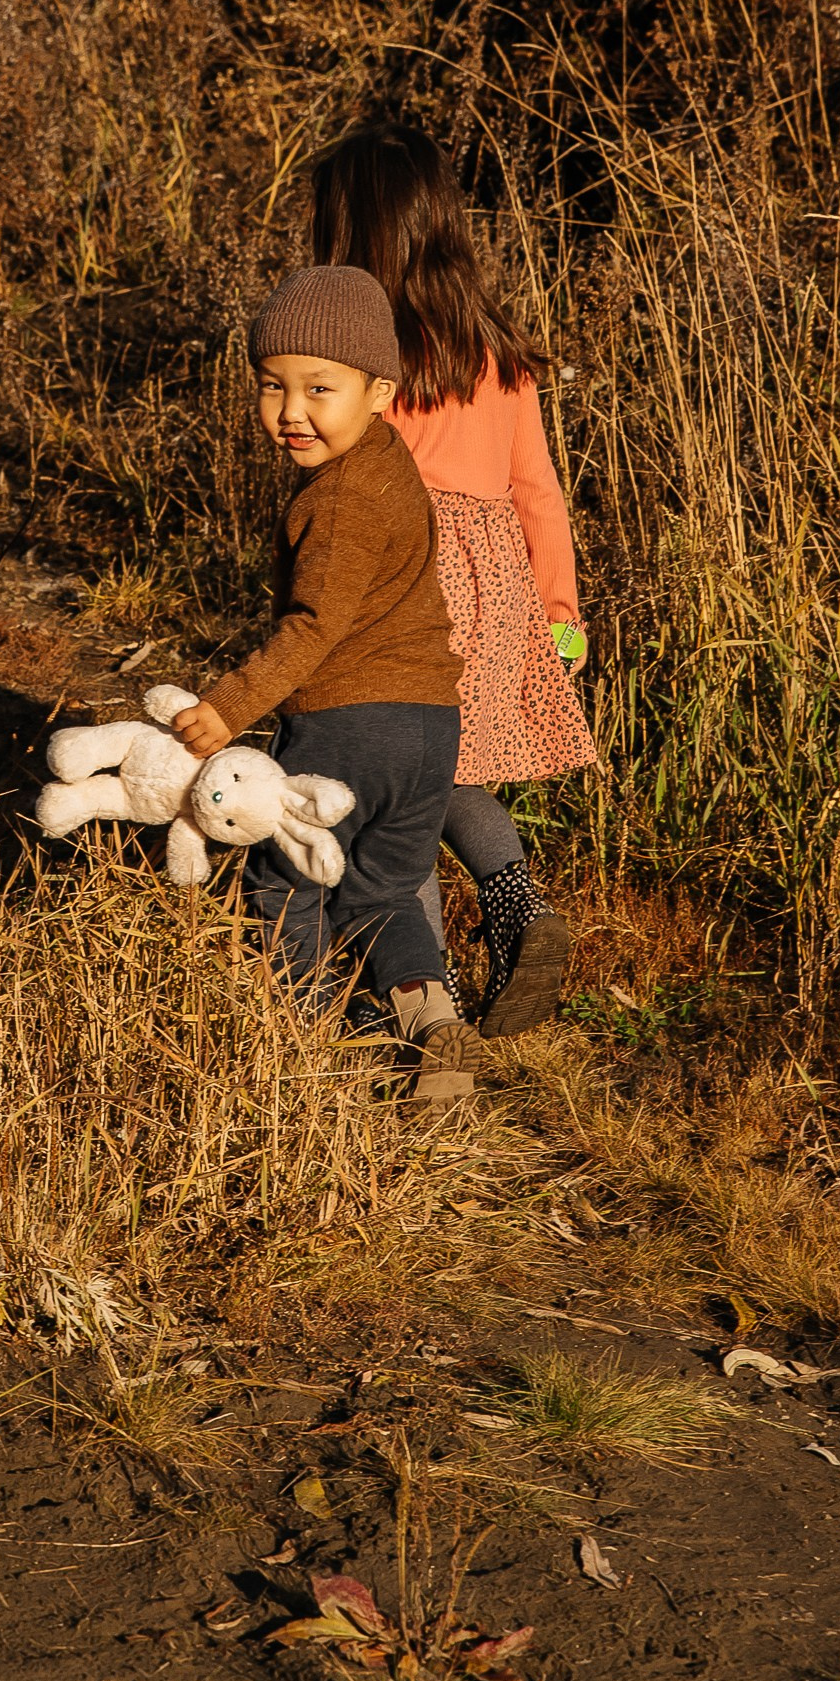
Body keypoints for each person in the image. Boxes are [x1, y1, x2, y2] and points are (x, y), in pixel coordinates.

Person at [170, 263, 486, 1106]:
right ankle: (428, 1018)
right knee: (382, 890)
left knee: (287, 885)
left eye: (319, 388)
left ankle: (318, 1045)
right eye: (271, 387)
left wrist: (229, 705)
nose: (290, 411)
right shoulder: (390, 462)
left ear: (380, 390)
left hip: (350, 721)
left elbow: (313, 627)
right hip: (429, 728)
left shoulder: (339, 501)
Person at [310, 125, 596, 1033]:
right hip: (500, 581)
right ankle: (516, 905)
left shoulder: (365, 355)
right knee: (449, 769)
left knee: (391, 788)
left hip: (404, 574)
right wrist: (559, 613)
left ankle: (417, 1003)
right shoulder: (497, 347)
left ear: (355, 232)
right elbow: (538, 491)